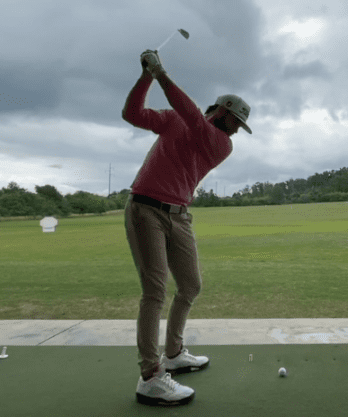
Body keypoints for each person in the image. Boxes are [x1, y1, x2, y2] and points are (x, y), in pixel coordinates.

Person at [122, 49, 252, 406]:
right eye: (237, 122)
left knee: (191, 284)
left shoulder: (221, 144)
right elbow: (132, 114)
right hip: (145, 208)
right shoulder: (175, 120)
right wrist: (146, 77)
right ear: (223, 111)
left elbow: (193, 118)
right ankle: (150, 376)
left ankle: (174, 353)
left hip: (179, 215)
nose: (237, 130)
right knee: (155, 291)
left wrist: (160, 73)